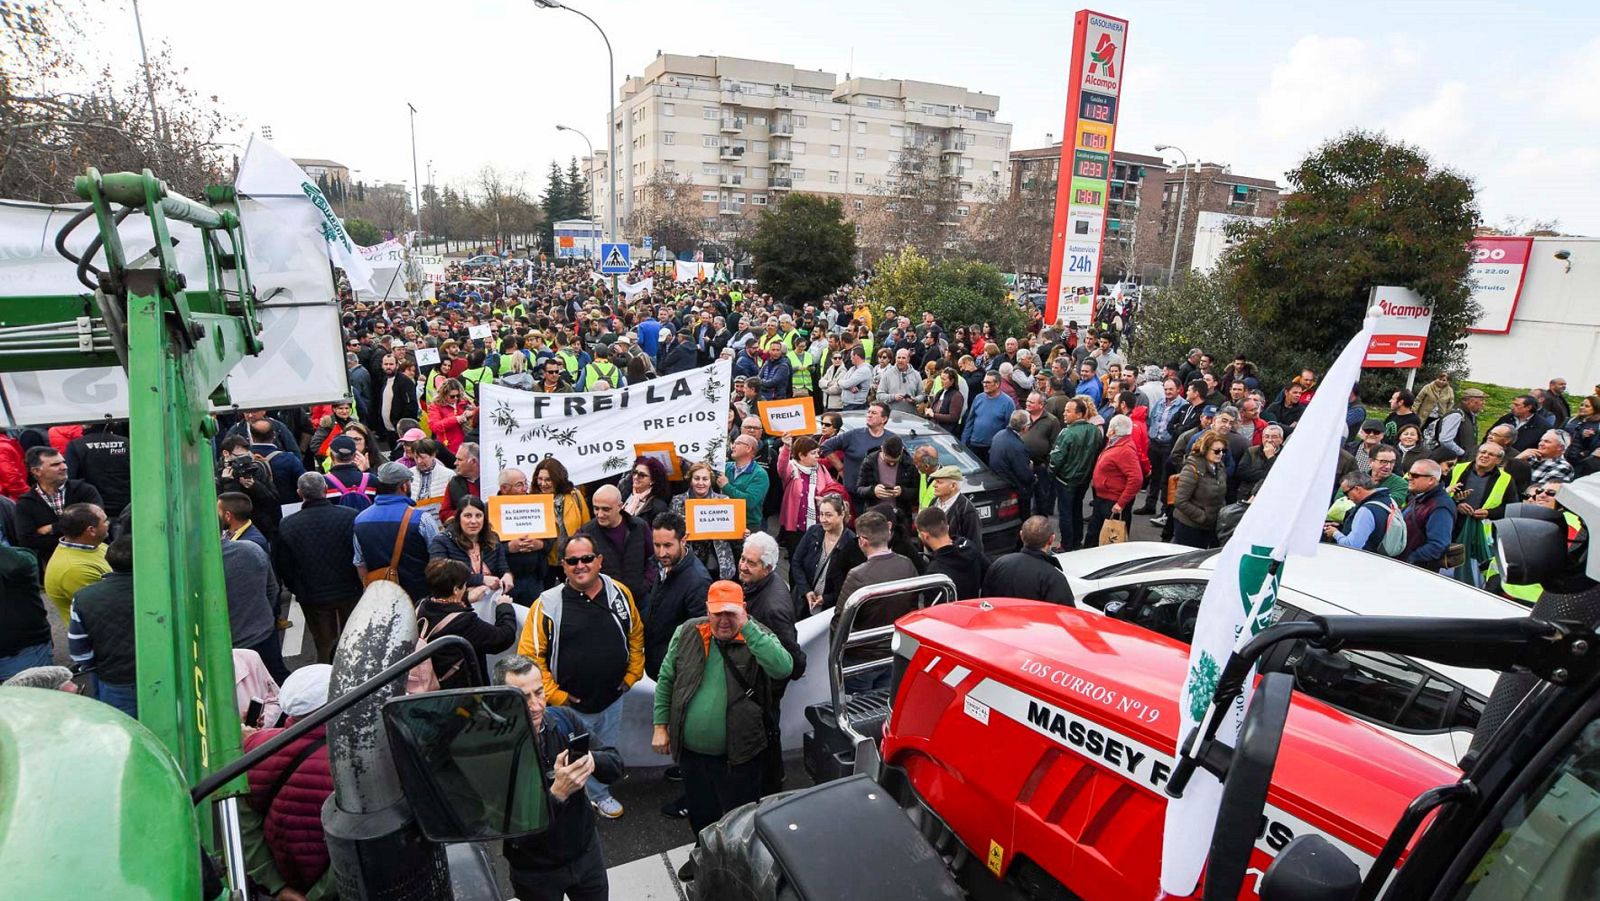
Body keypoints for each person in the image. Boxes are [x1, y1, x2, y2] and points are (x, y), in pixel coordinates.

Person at [651, 581, 793, 883]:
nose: (724, 621)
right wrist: (661, 725)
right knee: (701, 813)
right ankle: (703, 854)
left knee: (740, 820)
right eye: (717, 614)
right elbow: (666, 679)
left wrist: (749, 628)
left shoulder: (757, 635)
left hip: (739, 754)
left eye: (731, 613)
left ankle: (740, 870)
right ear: (707, 611)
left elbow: (783, 668)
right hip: (691, 754)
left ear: (743, 611)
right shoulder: (689, 631)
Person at [518, 533, 644, 820]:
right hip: (568, 708)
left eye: (587, 558)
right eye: (572, 561)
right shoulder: (547, 604)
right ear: (562, 566)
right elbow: (531, 658)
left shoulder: (619, 593)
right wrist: (558, 696)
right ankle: (576, 803)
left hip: (613, 700)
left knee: (601, 754)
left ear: (599, 561)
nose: (580, 565)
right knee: (568, 758)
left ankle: (599, 794)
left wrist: (632, 675)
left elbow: (636, 635)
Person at [498, 654, 624, 901]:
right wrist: (557, 794)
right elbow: (514, 832)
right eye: (523, 698)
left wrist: (591, 761)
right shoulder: (495, 751)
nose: (536, 706)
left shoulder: (564, 719)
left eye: (539, 692)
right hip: (536, 872)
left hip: (585, 856)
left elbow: (616, 765)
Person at [236, 664, 337, 901]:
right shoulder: (355, 762)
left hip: (283, 885)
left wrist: (278, 887)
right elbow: (353, 849)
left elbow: (246, 825)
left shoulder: (256, 748)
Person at [272, 474, 363, 664]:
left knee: (324, 641)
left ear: (299, 493)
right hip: (349, 589)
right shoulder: (350, 516)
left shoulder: (288, 524)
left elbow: (282, 565)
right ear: (325, 490)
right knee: (353, 635)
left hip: (312, 595)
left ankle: (326, 676)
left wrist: (296, 588)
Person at [833, 511, 920, 692]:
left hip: (861, 659)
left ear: (863, 541)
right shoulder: (907, 565)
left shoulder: (857, 576)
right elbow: (913, 609)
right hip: (894, 651)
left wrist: (836, 656)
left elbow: (839, 622)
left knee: (859, 711)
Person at [415, 557, 516, 690]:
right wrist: (504, 607)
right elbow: (502, 638)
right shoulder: (464, 622)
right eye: (464, 584)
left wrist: (465, 600)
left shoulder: (420, 607)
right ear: (456, 590)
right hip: (459, 695)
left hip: (425, 687)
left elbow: (444, 607)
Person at [353, 462, 439, 604]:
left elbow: (360, 563)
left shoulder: (360, 519)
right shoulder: (421, 519)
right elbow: (437, 558)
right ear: (404, 486)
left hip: (380, 597)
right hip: (419, 597)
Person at [643, 512, 711, 680]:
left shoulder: (698, 582)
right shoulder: (665, 565)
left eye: (667, 545)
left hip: (675, 672)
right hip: (659, 662)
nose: (661, 553)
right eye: (656, 545)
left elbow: (699, 638)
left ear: (683, 540)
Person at [15, 445, 103, 569]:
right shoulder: (26, 503)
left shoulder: (84, 490)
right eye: (55, 465)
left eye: (64, 462)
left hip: (94, 559)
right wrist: (76, 532)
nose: (64, 467)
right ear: (36, 471)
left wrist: (53, 528)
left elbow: (96, 521)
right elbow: (27, 540)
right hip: (53, 566)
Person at [223, 535, 288, 683]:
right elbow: (273, 589)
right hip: (263, 633)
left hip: (229, 645)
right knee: (277, 679)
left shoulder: (191, 566)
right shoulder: (251, 549)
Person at [790, 494, 866, 615]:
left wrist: (827, 598)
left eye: (829, 515)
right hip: (802, 603)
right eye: (821, 514)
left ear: (842, 515)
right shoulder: (813, 532)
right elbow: (796, 562)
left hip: (830, 610)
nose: (823, 519)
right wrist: (806, 591)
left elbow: (851, 583)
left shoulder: (851, 543)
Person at [577, 485, 651, 607]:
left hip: (639, 600)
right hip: (603, 602)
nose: (600, 514)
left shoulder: (639, 527)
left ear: (620, 506)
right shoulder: (586, 532)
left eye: (606, 509)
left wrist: (646, 584)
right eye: (596, 509)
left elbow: (652, 558)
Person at [429, 495, 514, 596]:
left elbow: (503, 567)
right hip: (457, 601)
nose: (473, 521)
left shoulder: (493, 538)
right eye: (468, 516)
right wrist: (481, 579)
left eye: (478, 516)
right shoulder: (442, 541)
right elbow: (438, 575)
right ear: (458, 518)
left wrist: (507, 575)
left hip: (490, 598)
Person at [775, 435, 848, 551]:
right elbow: (781, 467)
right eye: (813, 453)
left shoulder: (821, 469)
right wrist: (786, 447)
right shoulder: (792, 468)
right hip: (796, 527)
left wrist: (826, 498)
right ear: (802, 455)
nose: (818, 456)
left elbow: (832, 487)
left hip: (818, 525)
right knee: (795, 558)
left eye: (817, 452)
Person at [42, 502, 109, 626]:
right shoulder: (73, 570)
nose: (108, 523)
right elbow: (106, 606)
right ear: (91, 530)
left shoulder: (95, 545)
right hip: (99, 635)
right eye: (105, 521)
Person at [981, 516, 1073, 605]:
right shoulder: (1054, 578)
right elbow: (1065, 613)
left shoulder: (999, 565)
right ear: (1051, 539)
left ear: (1021, 535)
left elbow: (985, 602)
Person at [1050, 397, 1105, 549]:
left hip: (1066, 480)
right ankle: (1076, 540)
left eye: (1068, 411)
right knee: (1077, 509)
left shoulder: (1067, 432)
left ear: (1080, 414)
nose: (1064, 414)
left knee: (1066, 513)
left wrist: (1052, 472)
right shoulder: (1095, 431)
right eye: (1065, 410)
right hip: (1084, 479)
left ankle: (1066, 544)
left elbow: (1056, 458)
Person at [1085, 415, 1142, 548]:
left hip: (1111, 502)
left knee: (1106, 538)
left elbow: (1136, 479)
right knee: (1094, 532)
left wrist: (1121, 503)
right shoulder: (1116, 443)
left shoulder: (1125, 450)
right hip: (1104, 498)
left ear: (1113, 430)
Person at [534, 459, 591, 581]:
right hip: (546, 561)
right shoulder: (533, 499)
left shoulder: (575, 494)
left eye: (548, 479)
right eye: (540, 479)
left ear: (557, 478)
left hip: (573, 558)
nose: (543, 483)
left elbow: (586, 525)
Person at [821, 401, 894, 496]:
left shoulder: (892, 439)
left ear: (884, 419)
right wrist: (840, 468)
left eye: (874, 413)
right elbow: (826, 446)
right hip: (853, 494)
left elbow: (905, 461)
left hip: (879, 496)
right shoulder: (853, 435)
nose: (869, 415)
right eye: (869, 412)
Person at [914, 506, 986, 601]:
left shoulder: (934, 575)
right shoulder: (970, 548)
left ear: (925, 535)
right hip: (975, 610)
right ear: (947, 527)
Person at [1172, 432, 1228, 549]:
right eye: (1217, 451)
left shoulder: (1220, 467)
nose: (1220, 454)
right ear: (1205, 449)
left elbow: (1220, 495)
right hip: (1189, 526)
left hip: (1210, 526)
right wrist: (1203, 516)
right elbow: (1180, 500)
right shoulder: (1192, 468)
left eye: (1223, 451)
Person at [1323, 472, 1401, 553]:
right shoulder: (1389, 500)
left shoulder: (1366, 511)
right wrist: (1342, 527)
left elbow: (1351, 545)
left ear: (1357, 489)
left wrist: (1335, 533)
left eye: (1346, 493)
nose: (1347, 498)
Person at [1401, 460, 1456, 572]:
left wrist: (1409, 559)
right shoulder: (1420, 497)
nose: (1409, 478)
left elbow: (1438, 545)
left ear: (1431, 480)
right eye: (1409, 473)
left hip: (1416, 572)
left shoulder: (1440, 506)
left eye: (1415, 475)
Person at [854, 434, 919, 523]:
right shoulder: (870, 462)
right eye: (888, 461)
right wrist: (873, 491)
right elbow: (859, 489)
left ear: (901, 451)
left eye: (895, 461)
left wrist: (902, 492)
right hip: (874, 515)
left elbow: (916, 492)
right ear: (882, 449)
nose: (892, 464)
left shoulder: (909, 464)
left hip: (900, 517)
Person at [988, 410, 1036, 520]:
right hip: (1016, 489)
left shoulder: (999, 435)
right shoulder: (1017, 447)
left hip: (1001, 483)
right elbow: (1024, 475)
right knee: (1022, 520)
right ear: (1025, 427)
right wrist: (1032, 475)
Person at [720, 434, 770, 536]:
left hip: (748, 527)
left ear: (748, 449)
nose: (732, 446)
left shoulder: (760, 474)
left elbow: (749, 502)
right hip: (724, 521)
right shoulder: (726, 467)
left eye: (737, 443)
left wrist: (726, 486)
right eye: (733, 443)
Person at [962, 371, 1016, 463]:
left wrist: (1000, 447)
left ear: (997, 384)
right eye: (984, 382)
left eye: (988, 382)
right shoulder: (978, 398)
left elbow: (1009, 428)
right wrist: (963, 442)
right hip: (974, 445)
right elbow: (970, 422)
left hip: (992, 448)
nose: (985, 385)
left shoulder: (1008, 403)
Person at [926, 464, 982, 549]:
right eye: (935, 481)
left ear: (953, 486)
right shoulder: (934, 502)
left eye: (939, 482)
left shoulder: (967, 510)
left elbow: (975, 544)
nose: (934, 485)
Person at [1235, 424, 1283, 501]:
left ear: (1281, 439)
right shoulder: (1251, 451)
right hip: (1247, 494)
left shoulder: (1285, 455)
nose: (1270, 440)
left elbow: (1279, 476)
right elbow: (1242, 472)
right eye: (1266, 436)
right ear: (1262, 438)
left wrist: (1271, 457)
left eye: (1274, 437)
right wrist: (1267, 474)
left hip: (1272, 496)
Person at [620, 456, 672, 525]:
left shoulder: (658, 507)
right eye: (634, 472)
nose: (636, 477)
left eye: (641, 475)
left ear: (653, 480)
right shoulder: (623, 494)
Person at [408, 438, 455, 504]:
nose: (419, 461)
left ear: (433, 455)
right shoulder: (408, 474)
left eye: (422, 457)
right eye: (416, 457)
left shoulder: (449, 475)